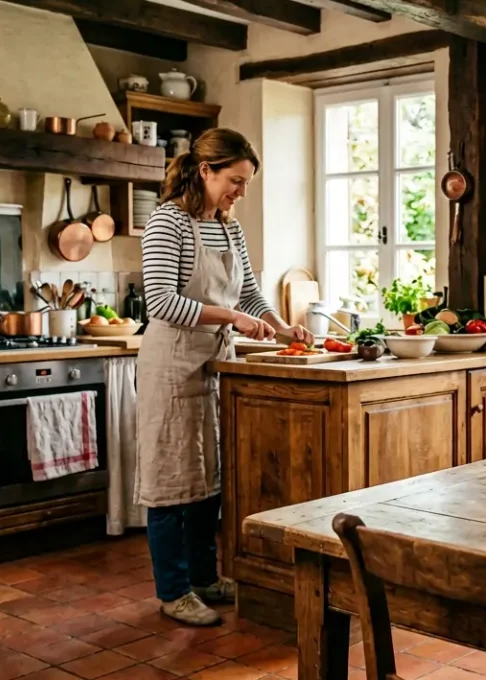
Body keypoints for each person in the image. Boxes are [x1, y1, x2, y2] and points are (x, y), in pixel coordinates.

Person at [135, 128, 312, 626]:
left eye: (246, 183)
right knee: (171, 483)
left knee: (209, 479)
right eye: (234, 181)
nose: (240, 192)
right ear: (205, 171)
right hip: (171, 365)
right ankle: (173, 591)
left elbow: (249, 292)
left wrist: (279, 326)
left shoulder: (228, 227)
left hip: (215, 363)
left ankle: (204, 579)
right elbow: (162, 302)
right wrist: (231, 318)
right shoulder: (167, 222)